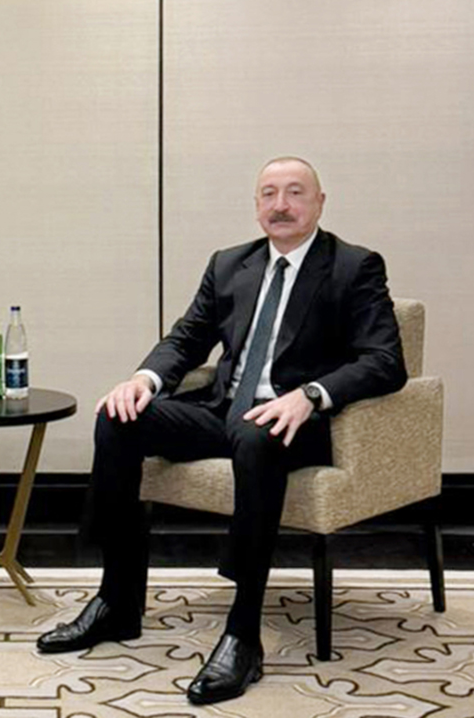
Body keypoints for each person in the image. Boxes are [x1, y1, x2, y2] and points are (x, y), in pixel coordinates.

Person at [36, 157, 407, 705]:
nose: (281, 205)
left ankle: (243, 632)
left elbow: (385, 360)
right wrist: (142, 380)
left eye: (295, 192)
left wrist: (309, 395)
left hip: (294, 420)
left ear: (320, 203)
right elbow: (187, 338)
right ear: (256, 206)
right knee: (118, 418)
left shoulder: (353, 266)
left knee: (257, 436)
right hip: (223, 409)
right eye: (269, 194)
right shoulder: (230, 264)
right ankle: (116, 600)